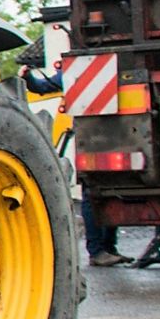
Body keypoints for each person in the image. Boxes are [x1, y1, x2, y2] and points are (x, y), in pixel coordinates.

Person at [21, 62, 130, 266]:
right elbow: (44, 86)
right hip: (105, 133)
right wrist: (28, 78)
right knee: (95, 190)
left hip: (102, 132)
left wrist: (29, 78)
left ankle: (107, 248)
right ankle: (97, 250)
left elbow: (46, 86)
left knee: (104, 187)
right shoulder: (82, 68)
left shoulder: (85, 66)